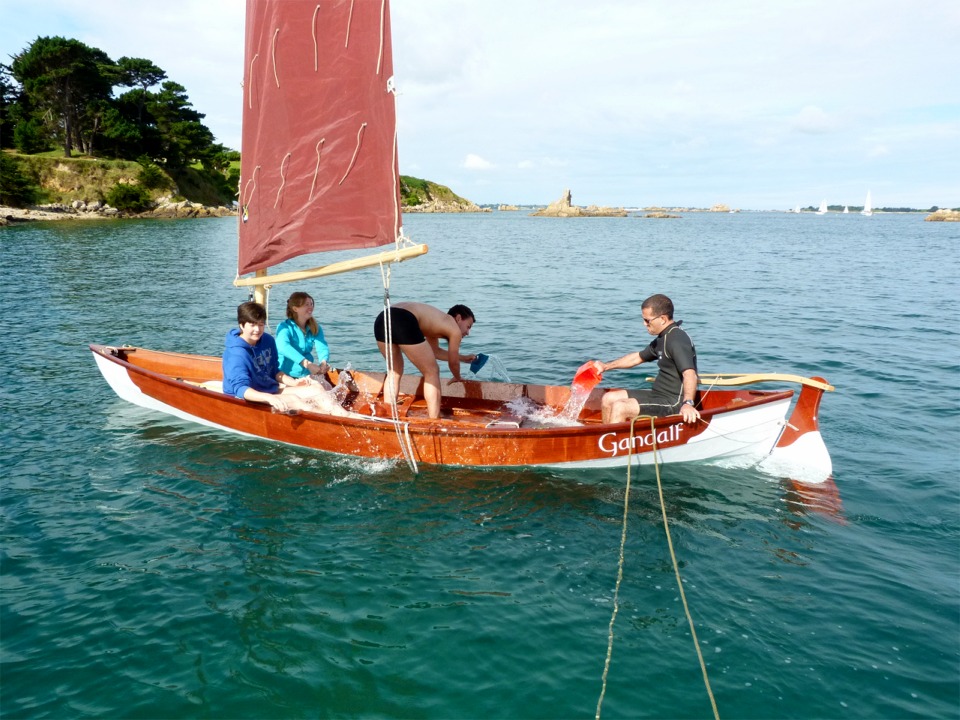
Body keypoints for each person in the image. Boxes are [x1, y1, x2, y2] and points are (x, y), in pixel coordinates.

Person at [222, 301, 348, 416]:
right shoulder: (236, 354)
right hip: (250, 397)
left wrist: (294, 383)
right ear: (242, 325)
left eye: (261, 325)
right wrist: (269, 398)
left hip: (269, 389)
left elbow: (274, 371)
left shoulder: (267, 340)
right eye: (252, 325)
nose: (257, 330)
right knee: (296, 401)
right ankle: (333, 425)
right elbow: (240, 389)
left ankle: (345, 417)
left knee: (316, 389)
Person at [593, 294, 701, 425]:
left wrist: (688, 403)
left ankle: (616, 443)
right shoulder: (663, 338)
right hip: (657, 394)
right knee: (608, 398)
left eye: (647, 320)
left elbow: (690, 373)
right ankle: (607, 439)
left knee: (620, 406)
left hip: (673, 402)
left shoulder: (677, 340)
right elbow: (637, 358)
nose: (644, 324)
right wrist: (606, 366)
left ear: (662, 319)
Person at [373, 302, 477, 419]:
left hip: (383, 318)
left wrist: (463, 358)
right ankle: (434, 419)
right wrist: (457, 376)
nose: (468, 333)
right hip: (403, 318)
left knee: (394, 371)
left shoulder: (436, 322)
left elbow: (434, 351)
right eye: (468, 326)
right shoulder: (454, 330)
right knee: (431, 371)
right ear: (458, 318)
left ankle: (389, 413)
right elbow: (453, 363)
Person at [276, 291, 330, 378]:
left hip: (306, 375)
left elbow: (322, 346)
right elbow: (282, 346)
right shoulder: (284, 327)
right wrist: (306, 363)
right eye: (306, 304)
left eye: (311, 304)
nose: (310, 307)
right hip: (285, 375)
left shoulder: (315, 327)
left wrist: (324, 362)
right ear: (295, 309)